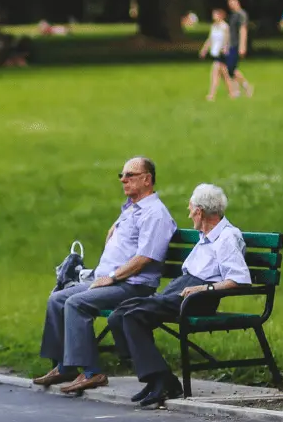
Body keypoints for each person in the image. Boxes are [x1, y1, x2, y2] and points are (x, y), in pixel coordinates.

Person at [33, 156, 177, 394]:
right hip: (112, 280)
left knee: (76, 303)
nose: (123, 180)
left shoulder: (155, 214)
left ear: (147, 179)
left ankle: (92, 372)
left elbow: (146, 257)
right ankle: (65, 365)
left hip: (133, 285)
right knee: (57, 298)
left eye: (130, 175)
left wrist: (113, 277)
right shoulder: (132, 209)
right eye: (121, 175)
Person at [107, 183, 251, 408]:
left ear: (200, 212)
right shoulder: (206, 236)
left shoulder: (227, 237)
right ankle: (156, 378)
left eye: (191, 209)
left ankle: (161, 380)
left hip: (198, 298)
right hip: (183, 290)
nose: (189, 213)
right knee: (119, 314)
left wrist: (204, 289)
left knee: (133, 316)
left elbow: (239, 279)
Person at [198, 7, 236, 101]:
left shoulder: (225, 26)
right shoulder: (214, 26)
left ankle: (211, 95)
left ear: (220, 16)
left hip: (222, 53)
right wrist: (204, 49)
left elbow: (227, 39)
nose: (213, 16)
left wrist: (225, 48)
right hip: (216, 52)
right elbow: (210, 39)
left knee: (215, 73)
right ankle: (232, 93)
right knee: (224, 75)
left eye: (215, 14)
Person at [225, 0, 254, 97]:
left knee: (231, 68)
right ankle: (237, 90)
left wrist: (242, 46)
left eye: (233, 2)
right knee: (231, 69)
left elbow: (243, 30)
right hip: (231, 44)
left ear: (237, 2)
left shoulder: (241, 14)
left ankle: (245, 87)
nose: (231, 4)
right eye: (229, 3)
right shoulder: (233, 15)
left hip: (237, 44)